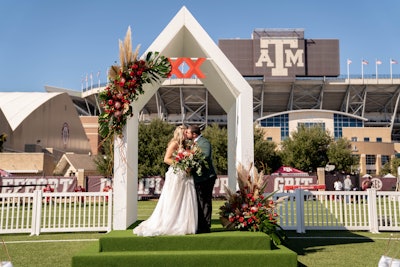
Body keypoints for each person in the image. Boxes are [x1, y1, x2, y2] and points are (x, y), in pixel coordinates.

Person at [133, 125, 198, 236]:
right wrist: (180, 164)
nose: (187, 134)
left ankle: (183, 222)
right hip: (176, 173)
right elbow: (166, 159)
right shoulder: (174, 144)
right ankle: (169, 222)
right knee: (174, 197)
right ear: (180, 133)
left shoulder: (187, 145)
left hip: (185, 174)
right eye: (185, 132)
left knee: (185, 198)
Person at [186, 125, 217, 234]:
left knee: (205, 201)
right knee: (199, 201)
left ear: (194, 134)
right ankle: (200, 224)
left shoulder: (204, 142)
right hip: (198, 178)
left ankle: (205, 226)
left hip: (206, 177)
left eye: (188, 133)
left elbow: (205, 155)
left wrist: (189, 158)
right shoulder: (193, 143)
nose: (186, 134)